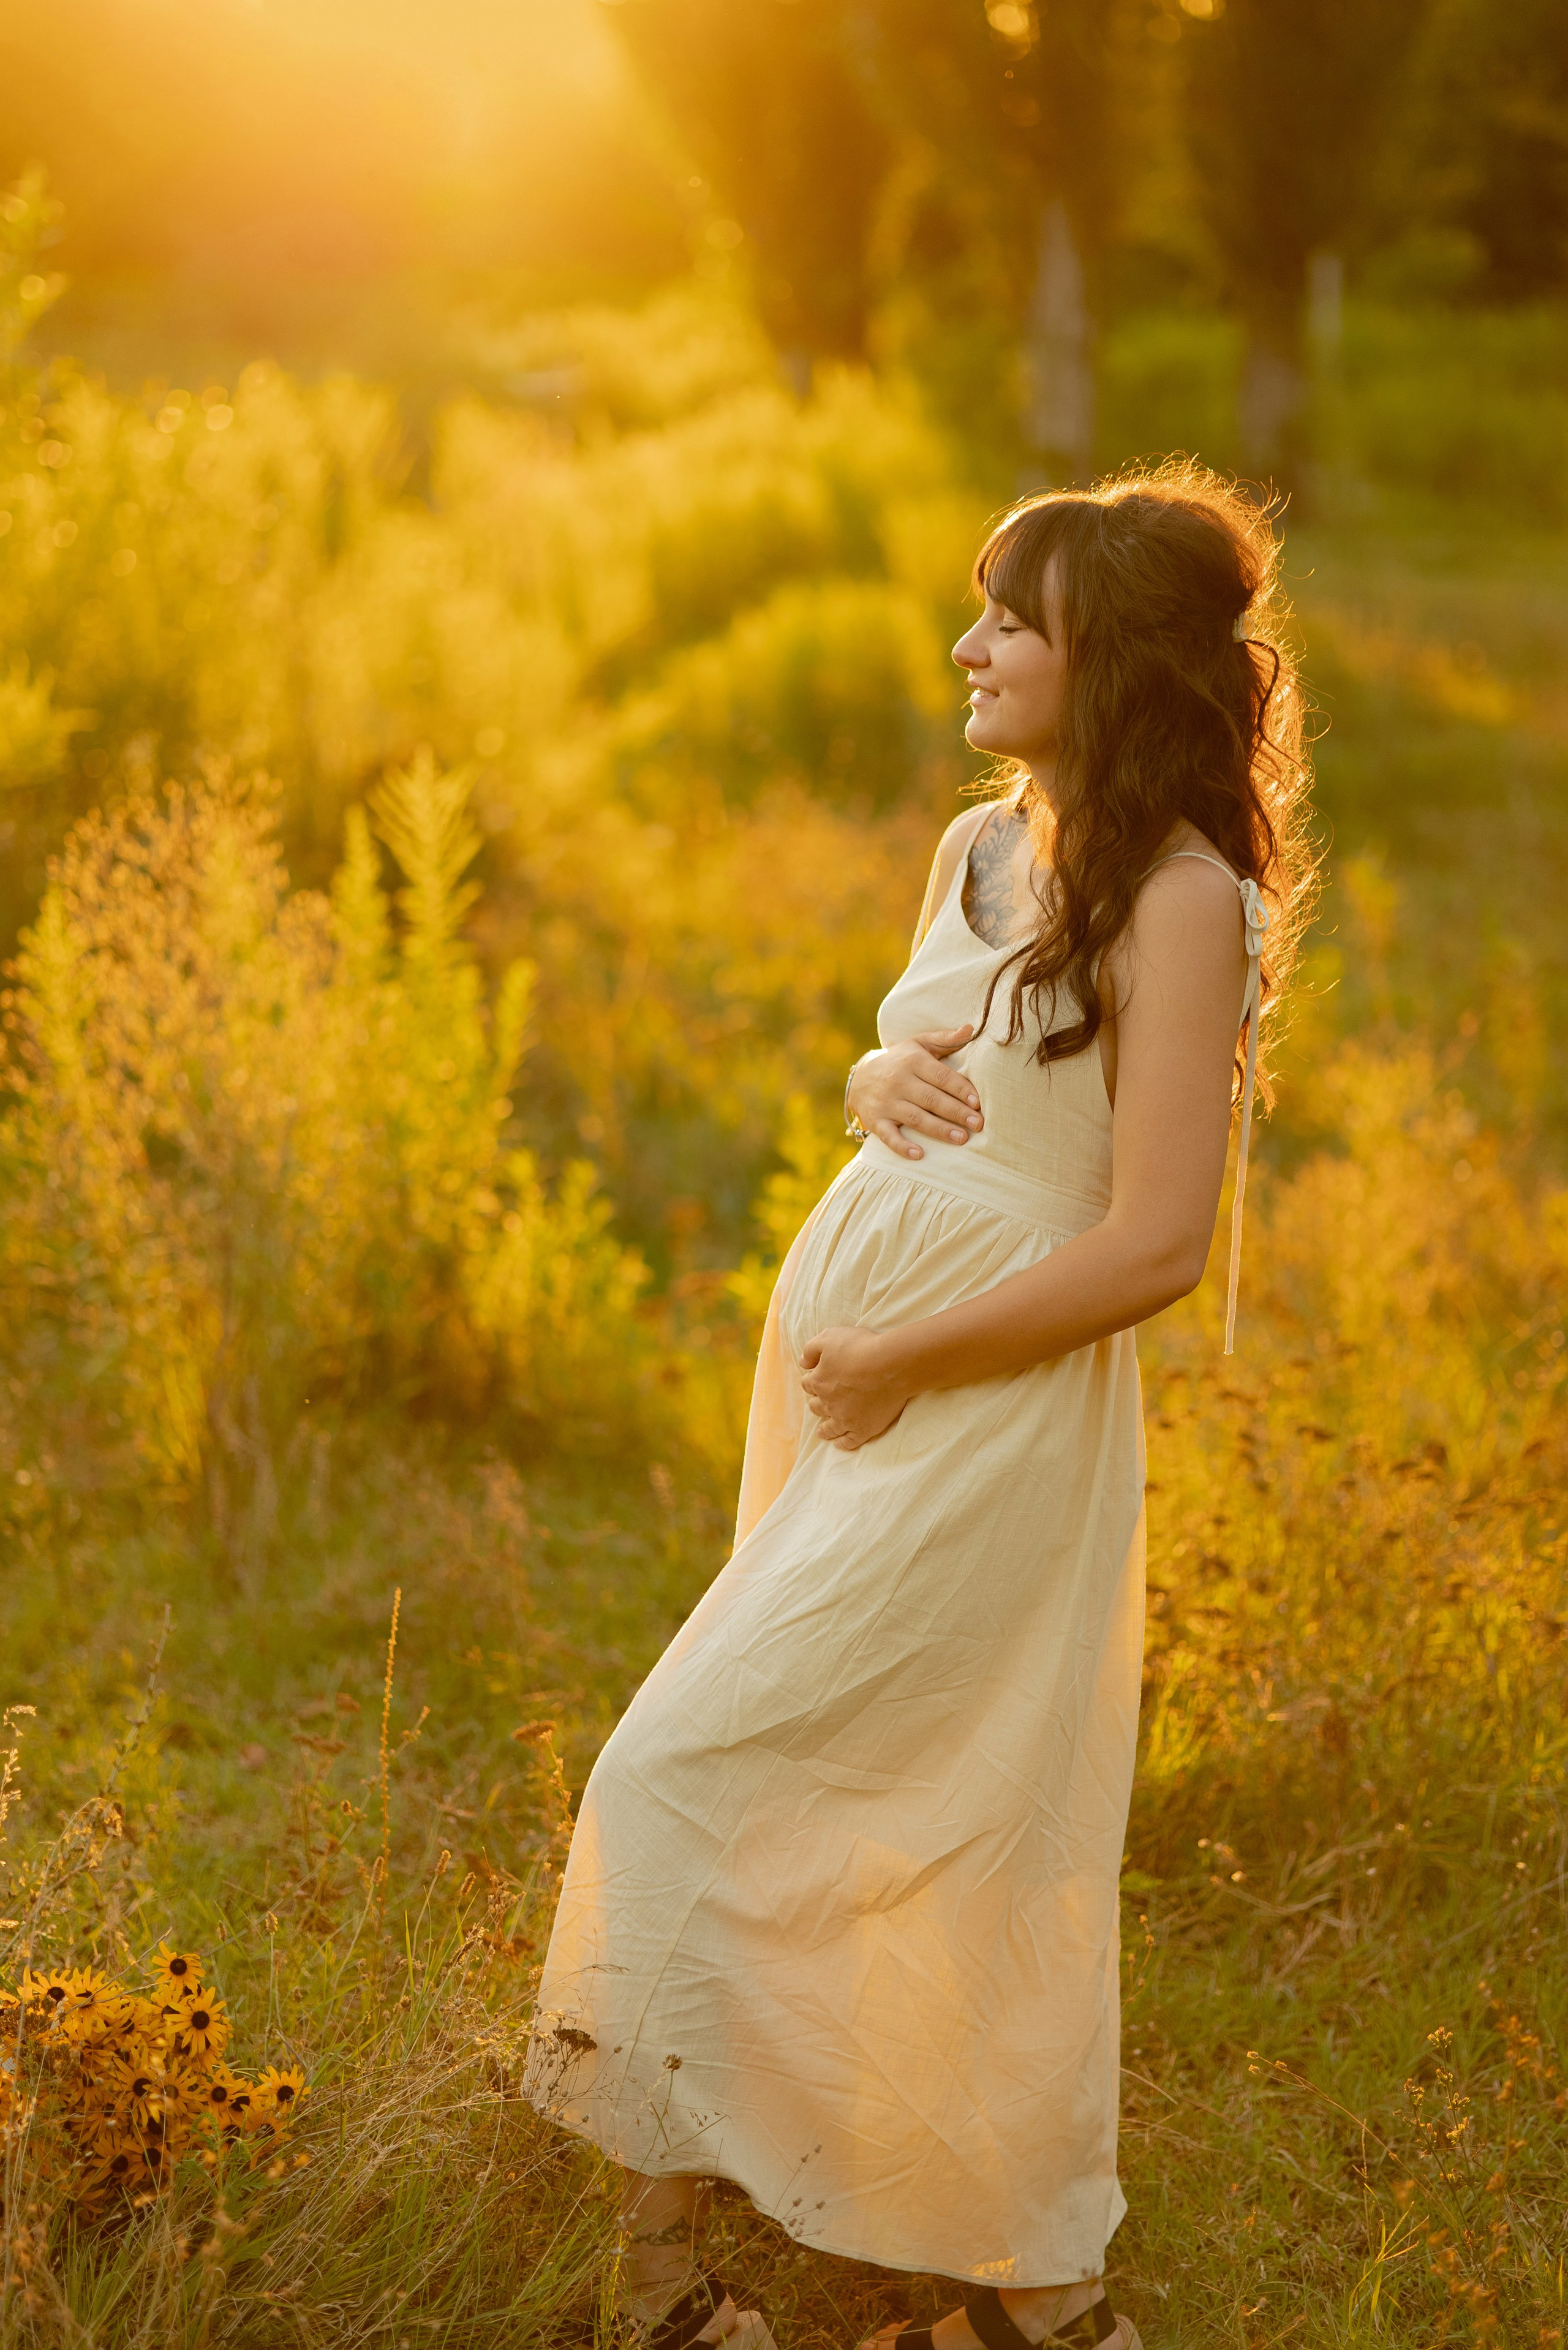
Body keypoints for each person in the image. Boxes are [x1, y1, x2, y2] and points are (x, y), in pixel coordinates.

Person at [525, 461, 1316, 2350]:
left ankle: (741, 2293)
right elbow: (943, 1038)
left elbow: (1150, 1246)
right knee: (885, 1796)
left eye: (1009, 622)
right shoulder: (981, 845)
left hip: (982, 1410)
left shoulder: (1185, 899)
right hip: (860, 1400)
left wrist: (896, 1356)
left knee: (698, 1777)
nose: (967, 647)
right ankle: (1019, 2305)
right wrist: (879, 1068)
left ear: (1103, 659)